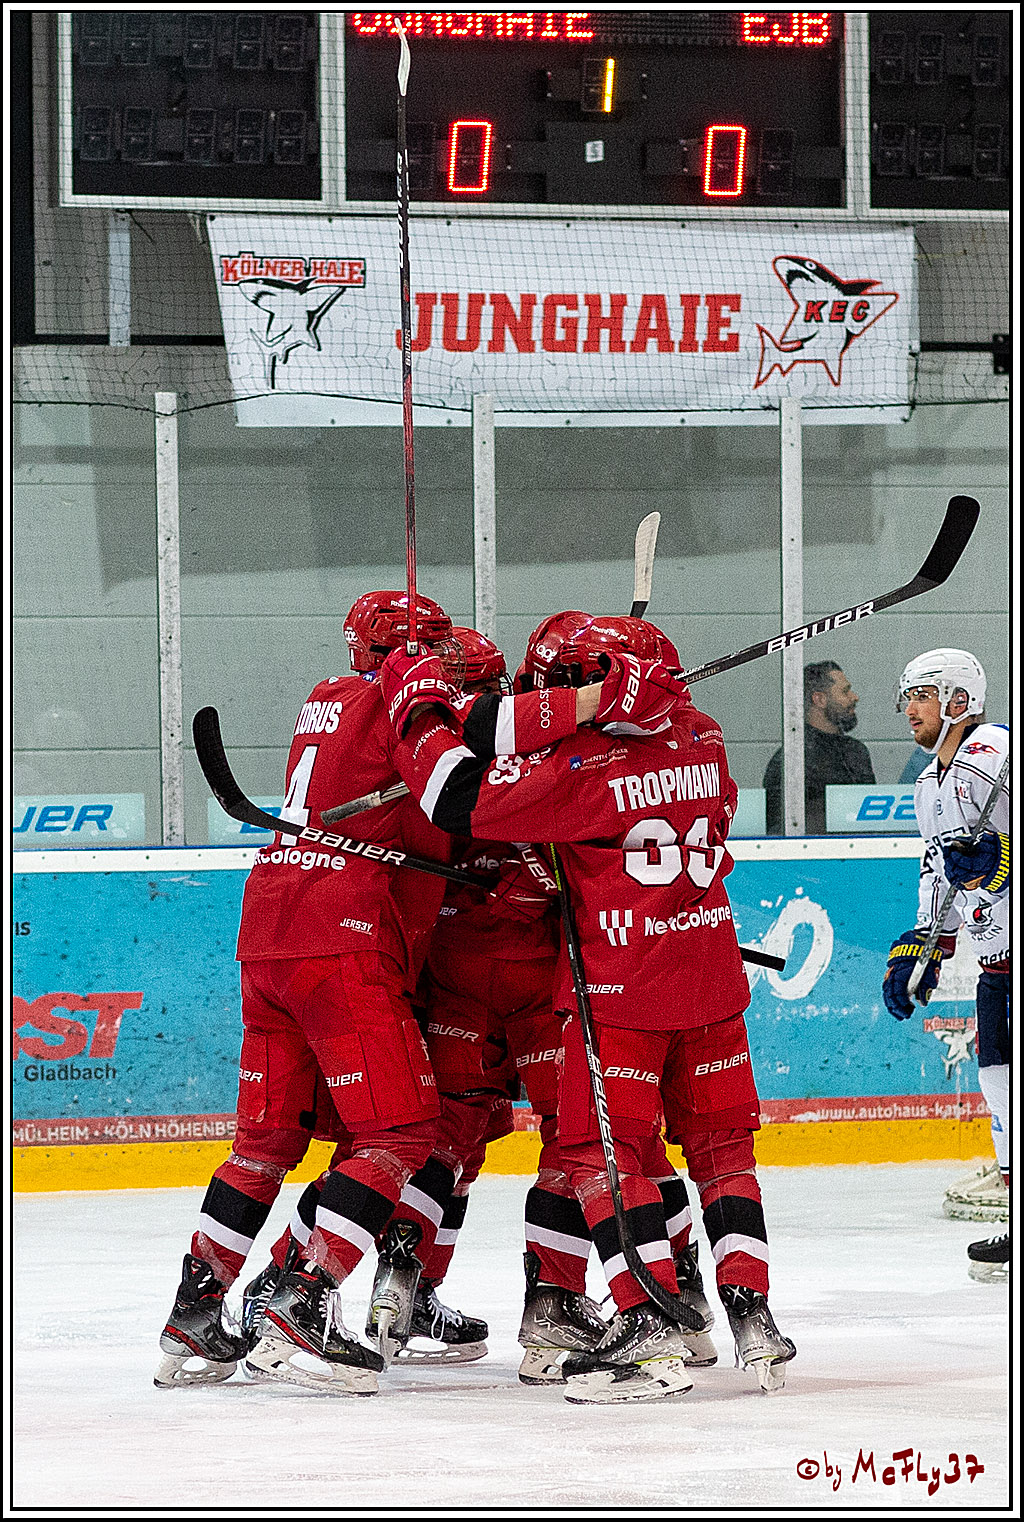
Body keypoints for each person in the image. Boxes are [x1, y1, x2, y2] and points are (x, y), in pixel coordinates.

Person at [155, 592, 593, 1394]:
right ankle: (305, 1301)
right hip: (342, 940)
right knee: (401, 1133)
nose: (464, 690)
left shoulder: (331, 697)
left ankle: (197, 1310)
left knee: (264, 1145)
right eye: (451, 668)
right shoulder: (408, 709)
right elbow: (464, 793)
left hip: (272, 929)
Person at [379, 613, 796, 1403]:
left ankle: (649, 1326)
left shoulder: (583, 767)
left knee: (601, 1157)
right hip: (709, 982)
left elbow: (457, 796)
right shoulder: (704, 735)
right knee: (721, 1156)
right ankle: (751, 1316)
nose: (538, 694)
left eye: (552, 682)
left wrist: (420, 705)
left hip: (624, 994)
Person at [883, 649, 1009, 1282]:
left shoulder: (997, 753)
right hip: (996, 960)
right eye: (907, 696)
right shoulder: (930, 781)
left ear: (958, 700)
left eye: (920, 695)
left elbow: (993, 856)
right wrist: (925, 946)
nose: (909, 709)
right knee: (998, 1086)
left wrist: (1000, 860)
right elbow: (940, 868)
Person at [763, 660, 875, 834]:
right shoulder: (793, 758)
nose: (854, 697)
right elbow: (779, 828)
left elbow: (870, 819)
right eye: (845, 691)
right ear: (820, 699)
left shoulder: (855, 751)